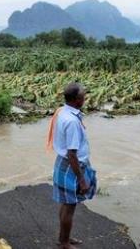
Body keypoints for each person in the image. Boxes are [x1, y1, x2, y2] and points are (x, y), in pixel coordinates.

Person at [49, 82, 97, 249]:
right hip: (71, 164)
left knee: (65, 203)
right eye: (83, 95)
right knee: (70, 206)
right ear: (77, 99)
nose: (85, 97)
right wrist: (81, 179)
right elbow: (72, 154)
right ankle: (64, 243)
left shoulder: (62, 111)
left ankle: (64, 238)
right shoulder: (72, 122)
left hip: (62, 162)